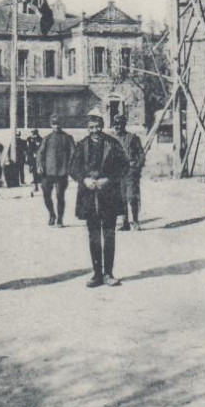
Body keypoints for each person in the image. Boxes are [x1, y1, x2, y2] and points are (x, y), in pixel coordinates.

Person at [70, 111, 129, 287]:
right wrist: (84, 179)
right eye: (91, 128)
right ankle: (96, 274)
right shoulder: (81, 145)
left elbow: (124, 166)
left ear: (102, 126)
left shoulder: (113, 144)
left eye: (97, 127)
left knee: (109, 234)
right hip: (88, 195)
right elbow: (73, 168)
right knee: (93, 235)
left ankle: (108, 274)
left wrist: (108, 179)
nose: (94, 130)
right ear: (87, 129)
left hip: (108, 194)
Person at [37, 114, 75, 226]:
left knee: (60, 195)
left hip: (62, 172)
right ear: (51, 125)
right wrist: (40, 165)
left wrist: (70, 167)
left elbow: (73, 154)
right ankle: (52, 214)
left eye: (58, 124)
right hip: (48, 172)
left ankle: (60, 219)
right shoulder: (47, 138)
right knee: (46, 195)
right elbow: (40, 153)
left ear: (61, 124)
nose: (56, 126)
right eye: (54, 124)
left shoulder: (68, 138)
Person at [112, 114, 146, 230]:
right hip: (117, 172)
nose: (117, 127)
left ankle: (135, 222)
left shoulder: (132, 138)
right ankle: (125, 223)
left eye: (120, 124)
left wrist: (137, 167)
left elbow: (141, 154)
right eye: (115, 124)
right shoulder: (112, 140)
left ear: (124, 125)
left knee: (132, 197)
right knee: (121, 198)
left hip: (131, 171)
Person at [25, 129, 43, 195]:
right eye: (32, 132)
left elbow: (41, 148)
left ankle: (39, 184)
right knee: (33, 171)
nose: (32, 134)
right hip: (31, 158)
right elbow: (27, 148)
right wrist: (29, 155)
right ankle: (35, 185)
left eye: (33, 133)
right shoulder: (29, 139)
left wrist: (37, 153)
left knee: (39, 171)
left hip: (38, 158)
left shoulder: (40, 139)